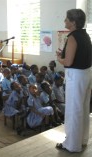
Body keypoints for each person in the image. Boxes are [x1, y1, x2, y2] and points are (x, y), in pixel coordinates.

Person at [56, 9, 92, 152]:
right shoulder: (85, 35)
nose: (64, 21)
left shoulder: (73, 36)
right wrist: (64, 55)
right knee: (83, 108)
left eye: (66, 19)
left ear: (73, 22)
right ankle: (82, 140)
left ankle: (72, 145)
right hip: (86, 74)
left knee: (73, 110)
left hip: (75, 76)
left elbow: (68, 62)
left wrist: (59, 58)